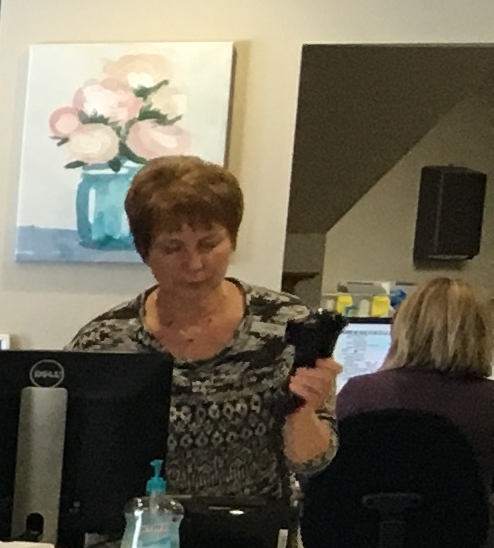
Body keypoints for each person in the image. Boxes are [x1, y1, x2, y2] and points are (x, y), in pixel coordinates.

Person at [66, 156, 336, 508]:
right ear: (144, 251)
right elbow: (75, 465)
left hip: (249, 544)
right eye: (172, 247)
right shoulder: (105, 341)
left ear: (233, 240)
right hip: (134, 543)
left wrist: (304, 410)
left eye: (209, 244)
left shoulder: (287, 325)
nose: (194, 264)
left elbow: (311, 461)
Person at [333, 272, 494, 485]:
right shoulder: (488, 403)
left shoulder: (360, 394)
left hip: (368, 516)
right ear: (482, 334)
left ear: (402, 328)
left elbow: (325, 478)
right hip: (468, 517)